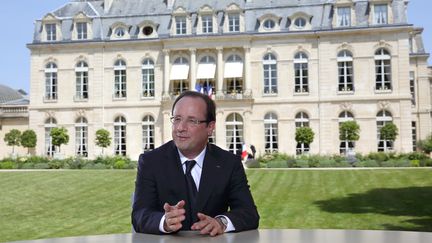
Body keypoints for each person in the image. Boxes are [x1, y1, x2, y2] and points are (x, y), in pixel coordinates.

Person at [132, 91, 259, 236]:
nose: (180, 128)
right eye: (177, 119)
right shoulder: (151, 162)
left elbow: (249, 213)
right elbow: (139, 215)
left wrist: (221, 222)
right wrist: (164, 222)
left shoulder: (229, 163)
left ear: (210, 127)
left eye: (192, 121)